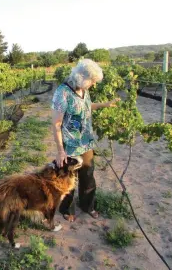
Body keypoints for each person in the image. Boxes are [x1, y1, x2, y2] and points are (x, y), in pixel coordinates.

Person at [51, 59, 119, 221]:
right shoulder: (62, 93)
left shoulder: (84, 90)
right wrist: (61, 151)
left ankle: (87, 205)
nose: (94, 85)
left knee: (88, 176)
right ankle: (66, 209)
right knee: (68, 179)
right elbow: (56, 124)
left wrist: (105, 105)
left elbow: (87, 106)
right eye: (93, 81)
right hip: (70, 146)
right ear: (83, 78)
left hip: (86, 142)